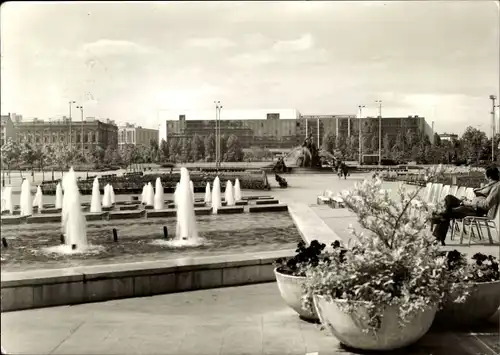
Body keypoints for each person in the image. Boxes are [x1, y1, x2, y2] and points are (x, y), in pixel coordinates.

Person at [431, 166, 500, 246]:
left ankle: (438, 235)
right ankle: (439, 217)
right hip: (470, 205)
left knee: (445, 213)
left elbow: (486, 205)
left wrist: (469, 203)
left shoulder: (496, 187)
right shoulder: (490, 185)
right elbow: (480, 199)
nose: (484, 175)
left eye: (485, 173)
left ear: (490, 176)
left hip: (476, 210)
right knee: (449, 198)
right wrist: (467, 200)